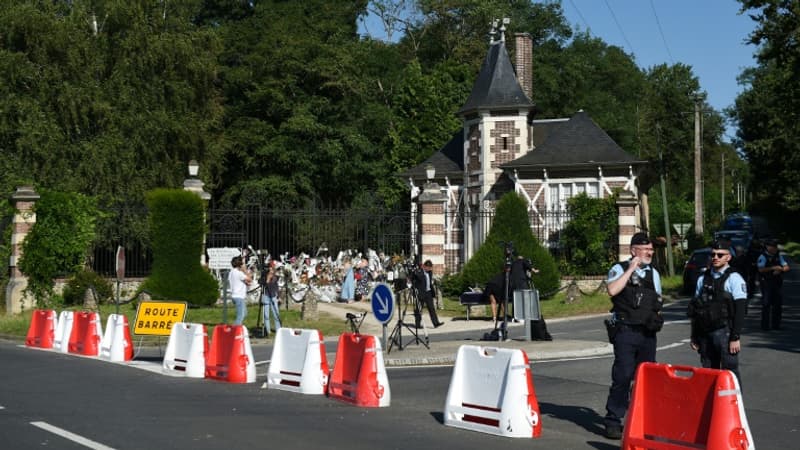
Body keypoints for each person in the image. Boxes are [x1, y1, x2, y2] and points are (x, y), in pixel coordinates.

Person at [602, 232, 663, 440]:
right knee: (623, 375)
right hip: (626, 331)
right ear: (633, 250)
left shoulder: (654, 273)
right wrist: (631, 269)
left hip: (647, 333)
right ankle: (613, 420)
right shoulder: (618, 269)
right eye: (645, 249)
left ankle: (644, 421)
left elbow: (657, 300)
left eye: (651, 250)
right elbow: (612, 290)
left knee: (647, 379)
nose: (650, 253)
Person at [688, 241, 747, 386]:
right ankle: (711, 406)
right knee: (708, 371)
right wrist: (694, 336)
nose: (715, 257)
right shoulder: (703, 278)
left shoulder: (734, 278)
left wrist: (735, 336)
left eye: (720, 255)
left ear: (728, 258)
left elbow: (740, 310)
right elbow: (696, 309)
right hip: (705, 333)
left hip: (725, 331)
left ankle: (734, 405)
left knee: (730, 371)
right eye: (713, 254)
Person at [757, 239, 790, 330]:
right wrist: (773, 268)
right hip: (766, 282)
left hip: (777, 282)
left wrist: (780, 270)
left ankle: (776, 325)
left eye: (775, 246)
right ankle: (765, 325)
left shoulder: (778, 255)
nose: (774, 248)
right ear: (767, 247)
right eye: (772, 246)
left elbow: (786, 267)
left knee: (777, 304)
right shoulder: (762, 256)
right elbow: (760, 269)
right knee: (766, 303)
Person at [412, 260, 444, 328]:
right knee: (419, 309)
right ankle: (417, 324)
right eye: (429, 267)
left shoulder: (429, 273)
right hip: (421, 293)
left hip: (428, 292)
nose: (430, 269)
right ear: (425, 266)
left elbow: (429, 282)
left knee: (431, 308)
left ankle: (436, 323)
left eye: (430, 267)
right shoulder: (419, 272)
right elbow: (415, 277)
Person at [228, 255, 252, 326]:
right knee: (240, 316)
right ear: (240, 264)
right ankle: (234, 331)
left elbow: (238, 281)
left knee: (244, 313)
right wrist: (245, 270)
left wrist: (245, 283)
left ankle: (237, 328)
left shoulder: (232, 272)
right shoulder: (239, 273)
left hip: (235, 295)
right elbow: (250, 279)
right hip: (239, 297)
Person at [260, 264, 282, 336]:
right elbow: (263, 284)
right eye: (270, 270)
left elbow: (277, 288)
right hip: (266, 296)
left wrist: (279, 296)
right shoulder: (264, 277)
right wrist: (267, 279)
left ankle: (278, 329)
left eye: (272, 270)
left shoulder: (275, 278)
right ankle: (267, 330)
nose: (271, 271)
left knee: (276, 314)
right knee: (266, 315)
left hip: (273, 296)